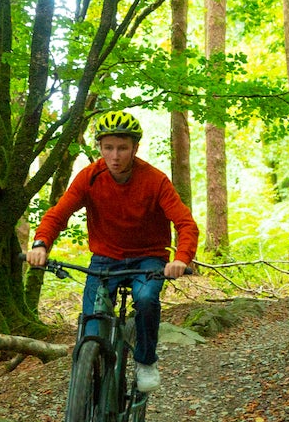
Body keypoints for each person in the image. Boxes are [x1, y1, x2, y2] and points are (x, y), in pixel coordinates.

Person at [27, 109, 198, 394]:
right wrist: (40, 244)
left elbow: (185, 223)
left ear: (134, 148)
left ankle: (145, 361)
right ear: (100, 148)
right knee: (89, 335)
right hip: (105, 260)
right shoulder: (90, 178)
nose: (115, 155)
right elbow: (57, 215)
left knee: (145, 299)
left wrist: (181, 259)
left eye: (122, 148)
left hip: (148, 259)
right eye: (109, 148)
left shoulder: (155, 181)